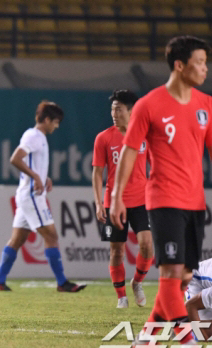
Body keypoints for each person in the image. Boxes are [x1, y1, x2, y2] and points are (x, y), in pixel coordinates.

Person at [109, 35, 212, 348]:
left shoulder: (206, 105)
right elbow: (127, 153)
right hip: (163, 199)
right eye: (200, 62)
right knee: (170, 274)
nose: (206, 69)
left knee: (184, 278)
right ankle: (189, 344)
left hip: (195, 202)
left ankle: (147, 341)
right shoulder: (149, 105)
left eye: (206, 63)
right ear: (180, 66)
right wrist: (117, 196)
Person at [0, 101, 85, 293]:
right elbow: (15, 158)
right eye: (55, 122)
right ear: (47, 119)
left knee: (17, 240)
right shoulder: (34, 135)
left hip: (27, 195)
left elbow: (30, 162)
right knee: (51, 235)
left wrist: (44, 176)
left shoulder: (38, 137)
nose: (56, 126)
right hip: (32, 196)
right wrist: (36, 176)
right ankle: (62, 283)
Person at [92, 89, 153, 309]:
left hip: (141, 200)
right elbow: (97, 172)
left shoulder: (145, 134)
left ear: (131, 111)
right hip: (113, 203)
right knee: (116, 250)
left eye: (118, 109)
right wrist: (99, 203)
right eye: (112, 109)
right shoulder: (104, 137)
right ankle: (121, 297)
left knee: (147, 246)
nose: (114, 114)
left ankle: (137, 282)